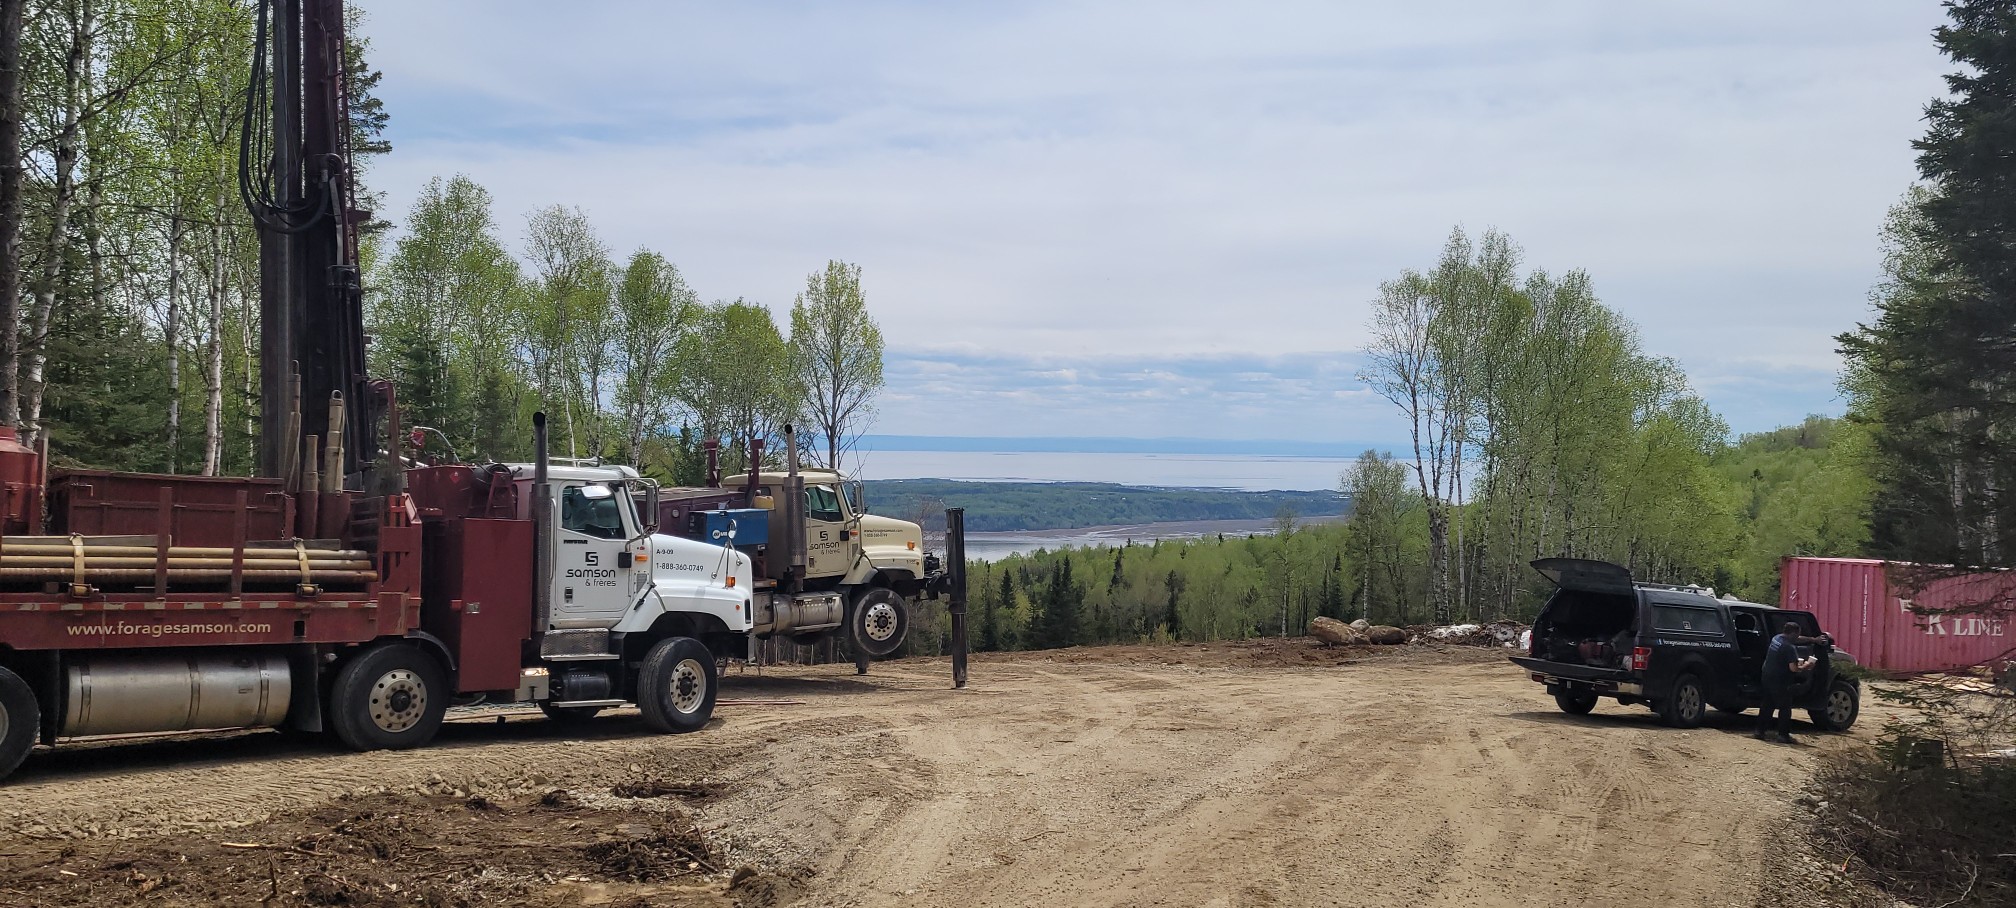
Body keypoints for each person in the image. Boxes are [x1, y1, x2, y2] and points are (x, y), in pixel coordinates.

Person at [1756, 621, 1829, 744]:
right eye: (1797, 634)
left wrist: (1813, 640)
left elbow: (1798, 639)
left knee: (1767, 705)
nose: (1798, 636)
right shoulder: (1789, 648)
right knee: (1785, 707)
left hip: (1767, 676)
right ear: (1793, 633)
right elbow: (1794, 669)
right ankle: (1783, 735)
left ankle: (1759, 731)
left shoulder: (1776, 639)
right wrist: (1807, 665)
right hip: (1780, 680)